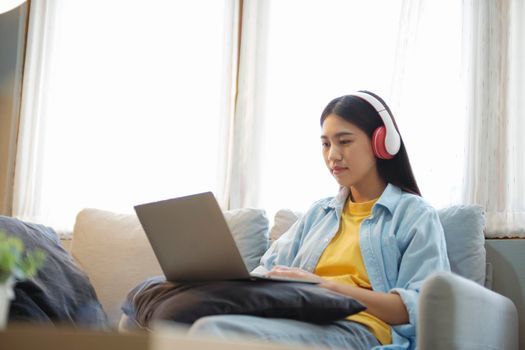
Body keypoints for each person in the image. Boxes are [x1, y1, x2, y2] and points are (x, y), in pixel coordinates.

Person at [187, 91, 451, 350]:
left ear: (381, 143)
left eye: (344, 141)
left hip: (360, 330)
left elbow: (418, 308)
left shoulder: (413, 214)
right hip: (300, 320)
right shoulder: (319, 214)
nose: (332, 155)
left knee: (213, 332)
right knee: (195, 318)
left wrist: (325, 286)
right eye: (326, 144)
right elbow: (267, 271)